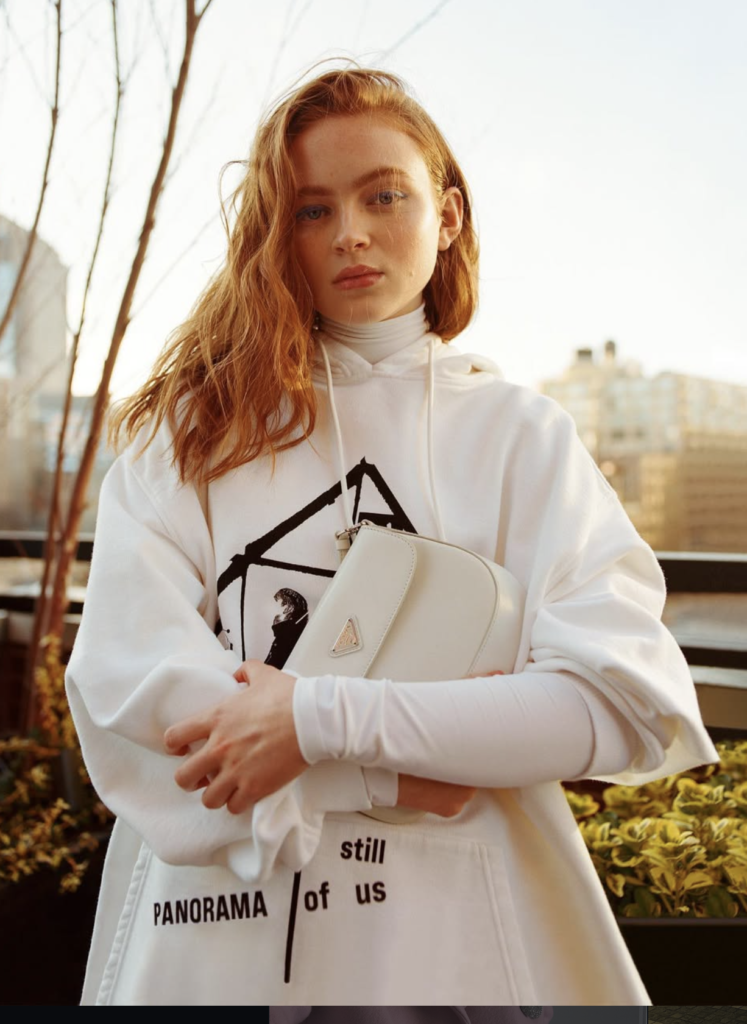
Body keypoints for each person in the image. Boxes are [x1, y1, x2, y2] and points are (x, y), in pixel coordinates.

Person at [65, 61, 720, 1007]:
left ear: (447, 215)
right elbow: (134, 698)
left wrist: (308, 722)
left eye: (384, 195)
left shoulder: (519, 437)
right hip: (217, 936)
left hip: (463, 937)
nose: (352, 234)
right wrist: (395, 773)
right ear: (274, 233)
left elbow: (610, 704)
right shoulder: (188, 438)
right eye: (311, 210)